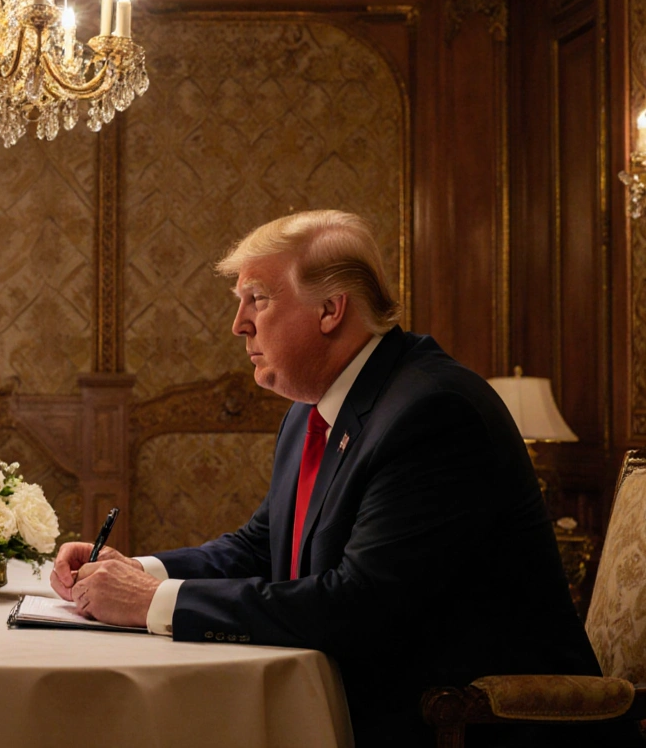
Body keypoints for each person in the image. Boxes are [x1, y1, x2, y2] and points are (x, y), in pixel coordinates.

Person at [51, 211, 639, 747]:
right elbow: (261, 545)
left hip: (463, 726)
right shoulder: (317, 407)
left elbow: (357, 606)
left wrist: (152, 601)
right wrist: (133, 571)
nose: (238, 325)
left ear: (331, 310)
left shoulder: (432, 412)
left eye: (256, 298)